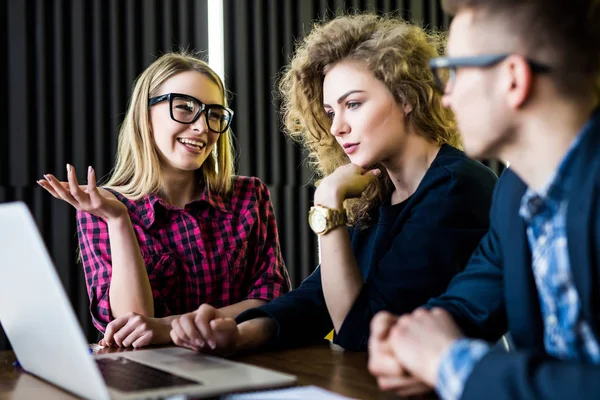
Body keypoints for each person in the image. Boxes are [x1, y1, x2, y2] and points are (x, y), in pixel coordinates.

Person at [168, 14, 497, 355]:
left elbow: (359, 333)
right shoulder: (375, 189)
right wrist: (238, 334)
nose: (337, 127)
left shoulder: (457, 186)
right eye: (330, 112)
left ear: (406, 97)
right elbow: (317, 298)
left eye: (352, 104)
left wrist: (327, 204)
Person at [368, 0, 600, 399]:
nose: (445, 97)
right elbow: (469, 304)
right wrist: (406, 340)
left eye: (453, 72)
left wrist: (449, 364)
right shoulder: (514, 193)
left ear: (512, 79)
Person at [38, 52, 291, 349]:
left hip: (240, 362)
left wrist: (167, 328)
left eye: (214, 114)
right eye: (184, 108)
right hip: (148, 375)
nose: (202, 127)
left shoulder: (249, 197)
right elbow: (131, 326)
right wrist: (119, 220)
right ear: (145, 117)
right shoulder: (103, 208)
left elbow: (269, 300)